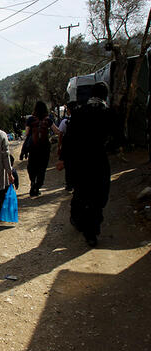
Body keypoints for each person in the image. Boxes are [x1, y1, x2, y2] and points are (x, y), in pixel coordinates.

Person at [59, 82, 114, 247]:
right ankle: (92, 228)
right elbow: (116, 138)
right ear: (105, 96)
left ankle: (82, 223)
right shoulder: (108, 113)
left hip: (80, 162)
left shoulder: (79, 113)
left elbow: (69, 139)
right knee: (98, 195)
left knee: (82, 193)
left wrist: (63, 158)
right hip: (99, 161)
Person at [21, 101, 60, 196]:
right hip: (45, 147)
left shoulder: (30, 119)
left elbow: (26, 133)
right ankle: (37, 186)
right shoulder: (48, 119)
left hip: (33, 148)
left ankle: (33, 183)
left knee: (32, 166)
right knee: (42, 168)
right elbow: (57, 131)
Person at [57, 102, 76, 191]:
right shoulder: (82, 120)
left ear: (68, 110)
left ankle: (69, 184)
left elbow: (60, 135)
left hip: (68, 147)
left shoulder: (65, 121)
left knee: (68, 166)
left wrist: (59, 146)